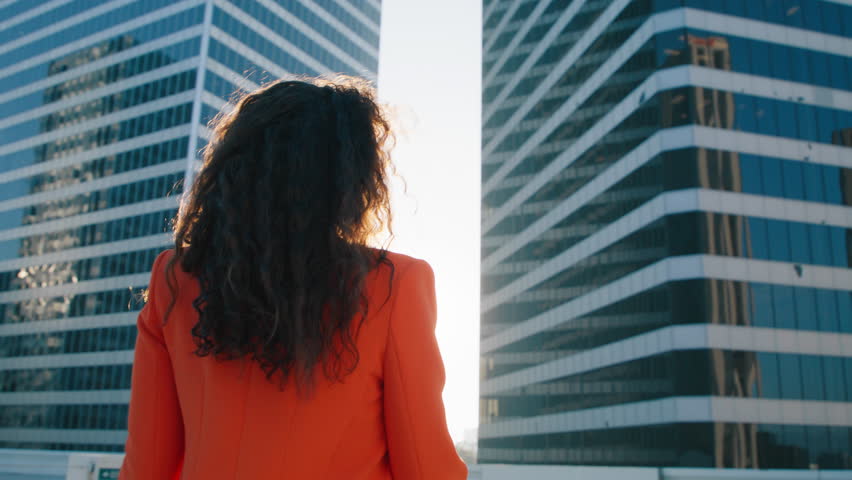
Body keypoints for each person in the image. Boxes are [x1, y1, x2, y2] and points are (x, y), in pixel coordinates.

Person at [119, 76, 467, 479]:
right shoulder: (395, 284)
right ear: (351, 179)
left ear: (234, 167)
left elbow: (146, 466)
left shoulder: (175, 279)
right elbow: (426, 468)